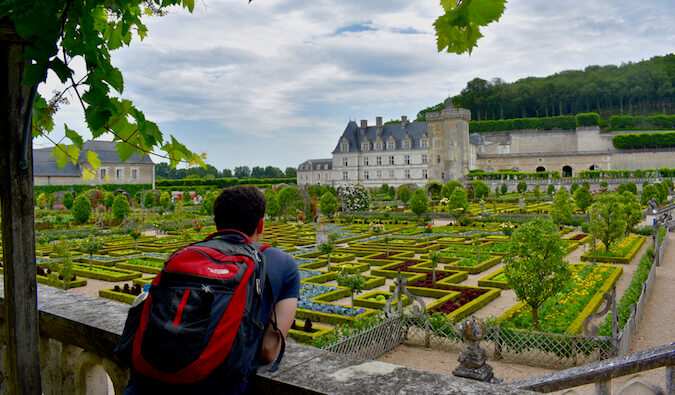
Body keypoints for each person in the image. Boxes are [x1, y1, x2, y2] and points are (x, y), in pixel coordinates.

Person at [124, 185, 300, 394]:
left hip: (145, 383)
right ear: (260, 225)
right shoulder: (282, 263)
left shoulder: (186, 255)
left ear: (216, 222)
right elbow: (268, 351)